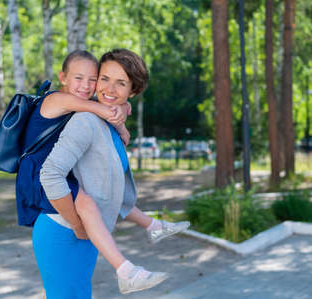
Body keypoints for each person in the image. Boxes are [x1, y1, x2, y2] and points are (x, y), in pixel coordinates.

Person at [19, 49, 189, 298]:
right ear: (63, 77)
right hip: (63, 226)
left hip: (83, 231)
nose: (95, 87)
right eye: (105, 79)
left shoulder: (97, 119)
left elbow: (108, 188)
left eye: (120, 82)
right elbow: (51, 173)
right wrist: (119, 112)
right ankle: (126, 271)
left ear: (132, 89)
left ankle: (143, 243)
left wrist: (121, 115)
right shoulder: (78, 112)